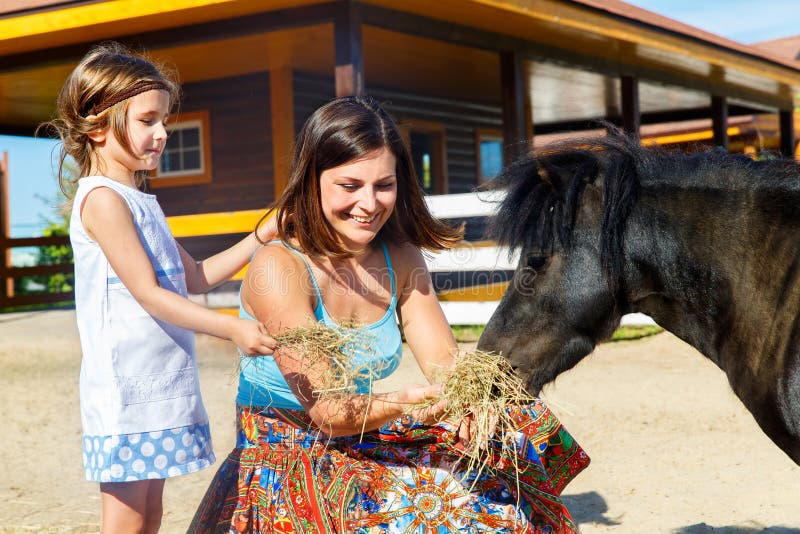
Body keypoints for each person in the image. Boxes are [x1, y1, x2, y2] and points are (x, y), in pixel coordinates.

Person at [191, 96, 589, 533]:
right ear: (312, 180)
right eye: (350, 185)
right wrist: (415, 403)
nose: (369, 203)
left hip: (361, 442)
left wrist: (475, 403)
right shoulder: (278, 267)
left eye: (384, 185)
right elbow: (329, 411)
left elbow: (447, 366)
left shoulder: (400, 256)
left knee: (516, 444)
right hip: (284, 457)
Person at [44, 42, 279, 533]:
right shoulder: (104, 201)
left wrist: (263, 234)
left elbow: (191, 278)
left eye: (163, 120)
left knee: (150, 516)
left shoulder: (139, 198)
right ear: (99, 124)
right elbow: (150, 294)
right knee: (126, 521)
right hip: (126, 391)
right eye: (148, 120)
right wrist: (232, 329)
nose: (162, 133)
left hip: (158, 384)